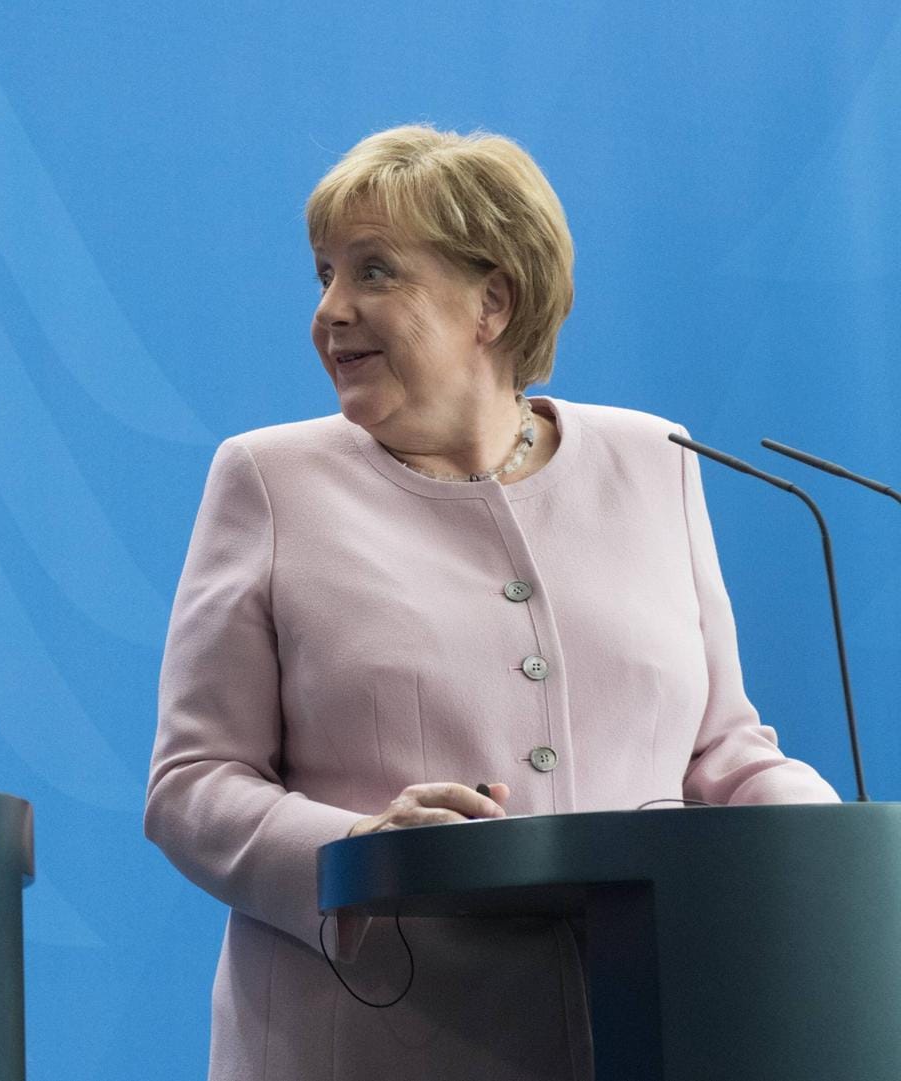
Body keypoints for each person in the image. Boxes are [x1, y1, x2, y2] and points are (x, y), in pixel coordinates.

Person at [144, 125, 838, 1080]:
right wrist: (356, 849)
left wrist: (835, 847)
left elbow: (723, 750)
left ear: (492, 302)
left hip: (645, 1036)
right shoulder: (268, 481)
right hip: (366, 1045)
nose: (331, 312)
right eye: (323, 276)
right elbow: (192, 782)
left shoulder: (657, 461)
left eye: (375, 272)